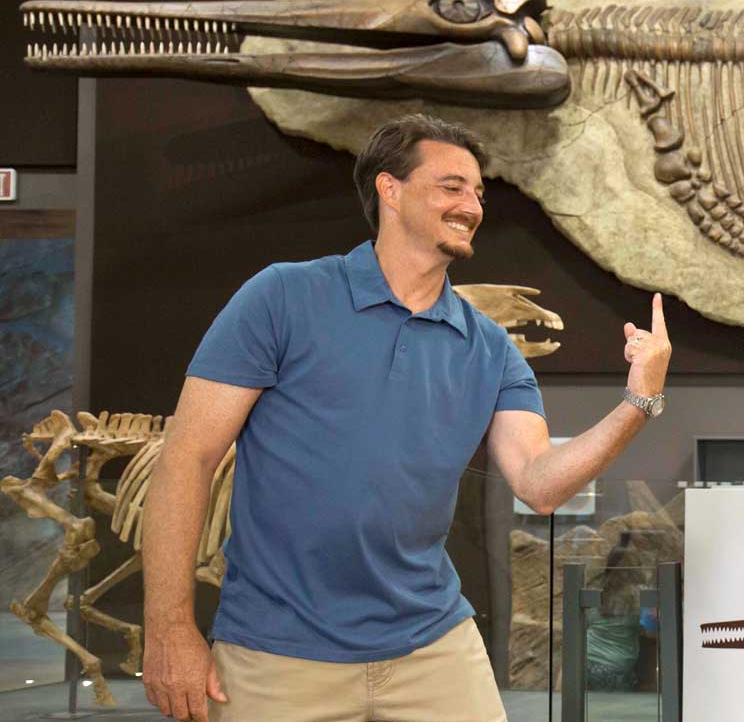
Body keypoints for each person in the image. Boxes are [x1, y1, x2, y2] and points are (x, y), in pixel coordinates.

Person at [140, 114, 676, 722]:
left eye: (477, 191)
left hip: (433, 645)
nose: (472, 205)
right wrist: (168, 628)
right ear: (389, 190)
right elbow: (188, 457)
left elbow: (541, 483)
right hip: (276, 652)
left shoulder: (490, 348)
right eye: (451, 186)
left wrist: (639, 401)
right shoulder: (282, 298)